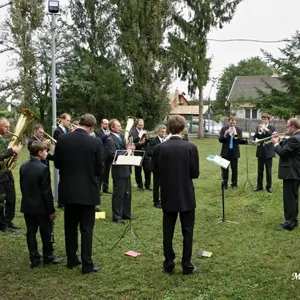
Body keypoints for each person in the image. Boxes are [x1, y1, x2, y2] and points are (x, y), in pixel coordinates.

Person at [54, 114, 103, 274]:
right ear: (92, 127)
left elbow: (59, 164)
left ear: (80, 123)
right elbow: (99, 169)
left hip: (68, 190)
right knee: (87, 229)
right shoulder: (95, 142)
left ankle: (71, 259)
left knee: (70, 227)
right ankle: (87, 264)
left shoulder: (63, 139)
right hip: (88, 191)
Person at [152, 115, 199, 275]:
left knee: (168, 231)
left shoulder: (159, 148)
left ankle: (169, 262)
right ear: (183, 129)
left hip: (168, 194)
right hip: (186, 194)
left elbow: (156, 172)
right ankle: (186, 264)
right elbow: (195, 173)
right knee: (187, 231)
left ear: (169, 128)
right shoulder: (190, 147)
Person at [20, 142, 63, 268]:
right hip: (42, 208)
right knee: (46, 232)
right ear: (39, 153)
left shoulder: (23, 166)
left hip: (28, 206)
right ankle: (48, 256)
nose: (46, 154)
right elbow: (46, 192)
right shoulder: (43, 168)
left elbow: (23, 187)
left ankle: (34, 258)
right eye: (45, 151)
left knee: (31, 233)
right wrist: (51, 210)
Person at [271, 118, 300, 231]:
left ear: (292, 126)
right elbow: (288, 147)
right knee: (293, 197)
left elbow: (283, 152)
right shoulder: (296, 137)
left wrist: (275, 143)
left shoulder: (295, 138)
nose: (286, 128)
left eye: (287, 126)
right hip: (295, 171)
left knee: (289, 198)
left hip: (291, 172)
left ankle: (289, 222)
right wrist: (279, 140)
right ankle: (294, 220)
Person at [105, 119, 135, 224]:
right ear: (112, 127)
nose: (120, 128)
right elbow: (113, 155)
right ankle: (117, 216)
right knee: (119, 194)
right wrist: (126, 151)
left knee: (127, 193)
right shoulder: (110, 140)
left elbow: (126, 147)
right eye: (117, 126)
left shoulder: (121, 137)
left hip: (126, 168)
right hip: (118, 170)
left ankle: (126, 214)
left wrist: (131, 148)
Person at [0, 117, 22, 232]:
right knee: (1, 200)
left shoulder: (3, 139)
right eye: (6, 127)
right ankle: (2, 224)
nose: (8, 129)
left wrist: (14, 156)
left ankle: (8, 221)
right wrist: (11, 151)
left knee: (11, 198)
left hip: (7, 173)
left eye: (9, 127)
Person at [253, 113, 276, 193]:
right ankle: (259, 186)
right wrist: (259, 131)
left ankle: (268, 186)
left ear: (268, 120)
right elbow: (255, 138)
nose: (264, 120)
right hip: (260, 151)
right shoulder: (259, 127)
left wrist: (266, 130)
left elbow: (273, 136)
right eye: (262, 119)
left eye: (265, 119)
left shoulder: (272, 127)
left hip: (269, 152)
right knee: (260, 170)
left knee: (268, 170)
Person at [219, 117, 243, 190]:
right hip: (225, 152)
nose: (232, 124)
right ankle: (225, 184)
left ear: (235, 123)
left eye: (233, 123)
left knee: (234, 169)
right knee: (225, 169)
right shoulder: (224, 129)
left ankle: (234, 184)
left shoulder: (238, 130)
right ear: (228, 122)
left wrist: (235, 133)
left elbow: (240, 141)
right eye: (231, 123)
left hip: (234, 152)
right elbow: (220, 140)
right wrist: (225, 134)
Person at [148, 124, 167, 209]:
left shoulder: (166, 140)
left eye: (165, 131)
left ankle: (164, 200)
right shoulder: (154, 141)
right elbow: (149, 153)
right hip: (157, 167)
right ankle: (156, 202)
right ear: (158, 132)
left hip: (165, 167)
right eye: (162, 132)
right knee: (156, 185)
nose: (164, 133)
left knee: (165, 185)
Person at [130, 118, 152, 190]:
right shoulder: (132, 132)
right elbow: (133, 141)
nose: (141, 127)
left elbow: (149, 141)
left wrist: (148, 138)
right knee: (138, 170)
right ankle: (140, 185)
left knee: (148, 169)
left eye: (142, 125)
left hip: (145, 153)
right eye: (140, 125)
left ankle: (147, 185)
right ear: (137, 124)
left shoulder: (145, 131)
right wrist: (140, 135)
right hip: (138, 153)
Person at [95, 119, 112, 194]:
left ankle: (106, 187)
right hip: (102, 153)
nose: (107, 126)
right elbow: (98, 140)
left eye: (108, 124)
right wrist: (106, 135)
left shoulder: (110, 132)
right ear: (101, 124)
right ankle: (98, 188)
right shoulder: (97, 131)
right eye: (105, 124)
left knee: (107, 171)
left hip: (109, 153)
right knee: (101, 171)